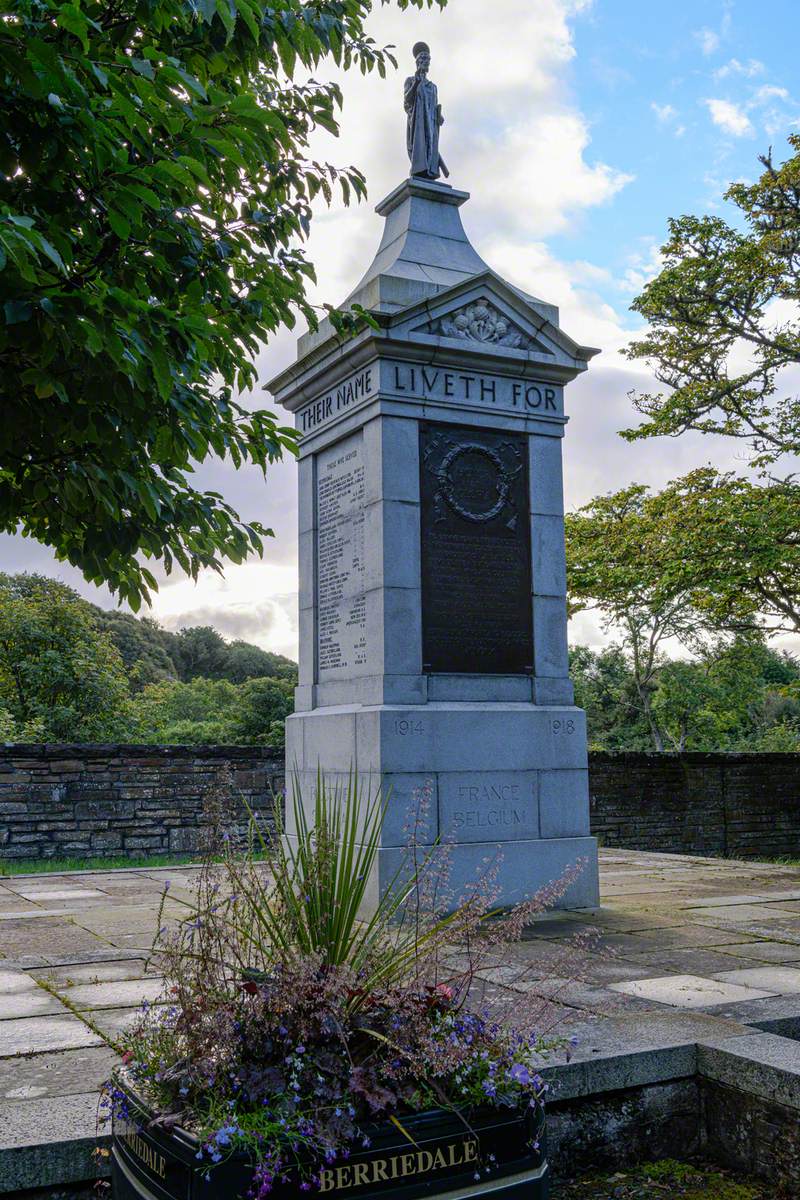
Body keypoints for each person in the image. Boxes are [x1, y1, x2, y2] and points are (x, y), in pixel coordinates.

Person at [404, 42, 449, 180]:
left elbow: (433, 106)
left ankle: (430, 170)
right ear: (417, 62)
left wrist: (439, 115)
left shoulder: (433, 87)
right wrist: (417, 83)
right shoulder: (410, 80)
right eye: (422, 59)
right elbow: (407, 101)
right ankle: (419, 168)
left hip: (430, 124)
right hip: (417, 123)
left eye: (427, 60)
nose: (425, 62)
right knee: (419, 147)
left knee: (430, 148)